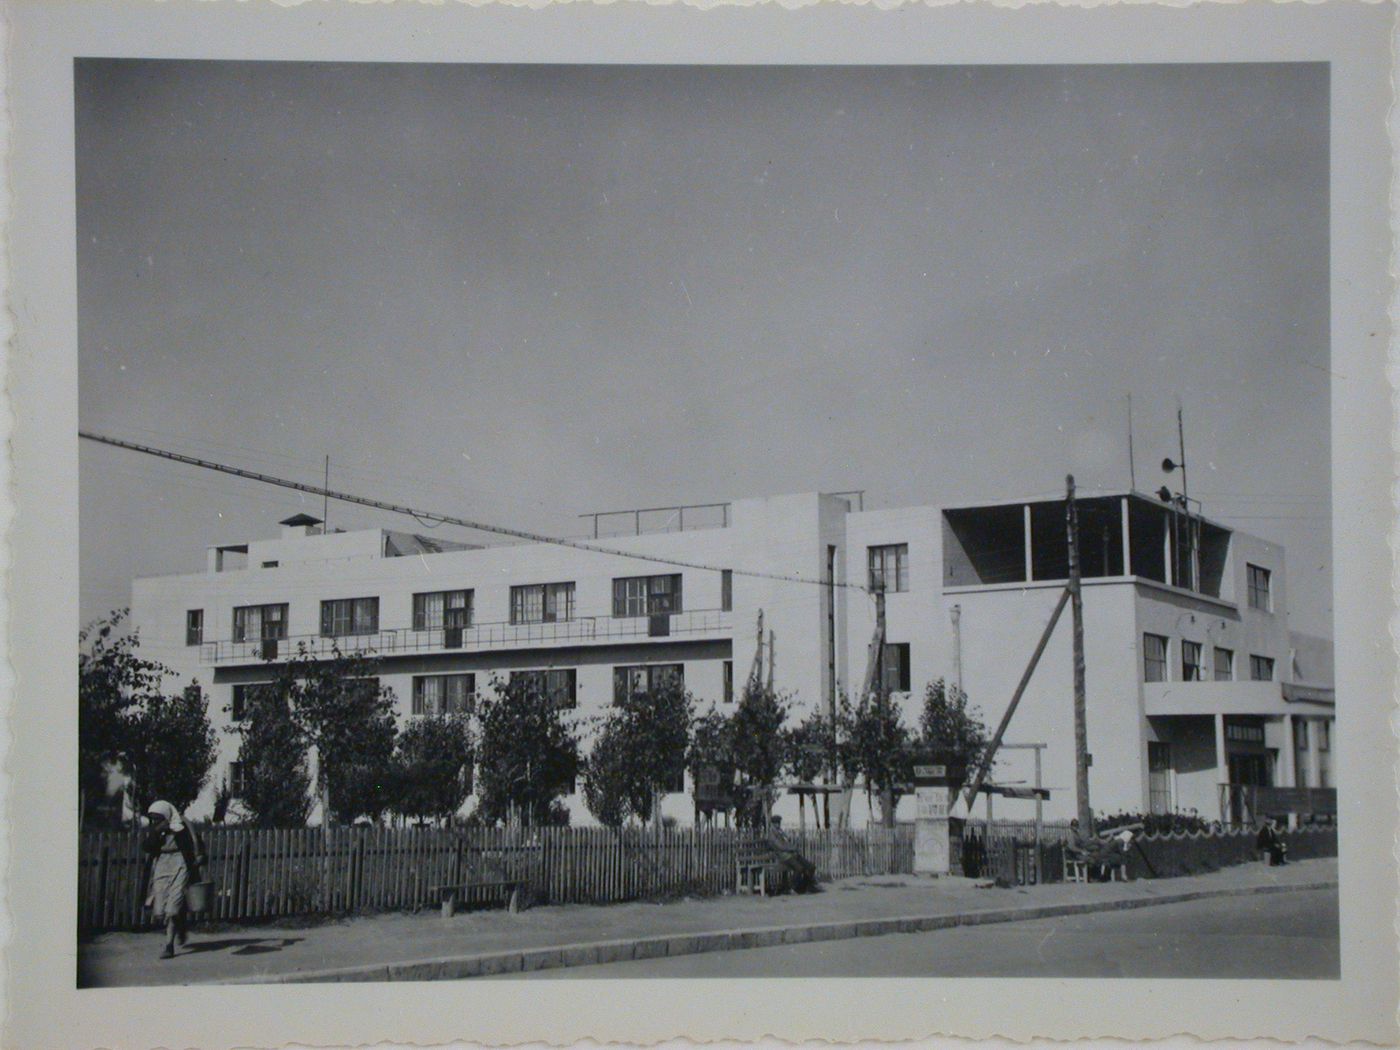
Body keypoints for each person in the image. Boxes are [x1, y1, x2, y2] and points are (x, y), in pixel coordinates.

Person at [142, 800, 205, 959]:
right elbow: (147, 847)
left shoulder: (182, 826)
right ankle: (180, 923)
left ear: (167, 816)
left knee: (173, 906)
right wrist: (157, 832)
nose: (155, 822)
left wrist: (199, 857)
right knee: (160, 908)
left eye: (159, 818)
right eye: (153, 819)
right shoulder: (157, 830)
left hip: (180, 863)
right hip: (162, 864)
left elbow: (196, 841)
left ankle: (169, 946)